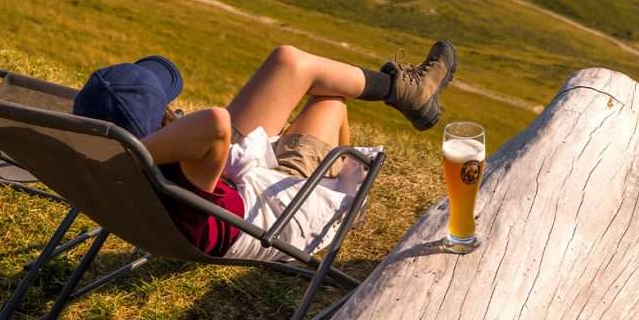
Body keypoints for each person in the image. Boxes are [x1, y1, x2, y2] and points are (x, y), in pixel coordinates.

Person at [73, 41, 457, 261]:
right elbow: (215, 124)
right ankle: (343, 200)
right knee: (332, 102)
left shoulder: (107, 160)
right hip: (275, 212)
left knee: (288, 61)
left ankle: (406, 91)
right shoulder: (179, 167)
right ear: (157, 127)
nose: (175, 109)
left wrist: (127, 152)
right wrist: (134, 151)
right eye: (167, 108)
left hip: (226, 181)